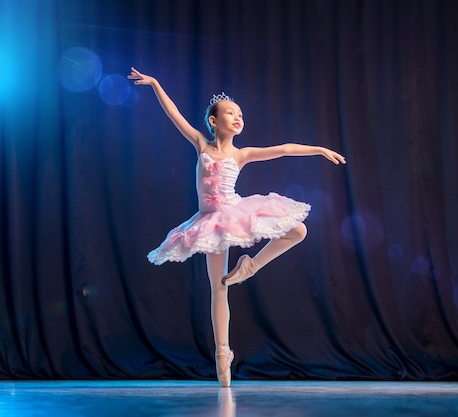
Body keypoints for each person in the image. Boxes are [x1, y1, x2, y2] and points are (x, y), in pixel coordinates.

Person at [127, 67, 346, 387]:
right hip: (209, 222)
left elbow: (284, 148)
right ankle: (222, 354)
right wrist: (157, 84)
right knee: (218, 289)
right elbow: (174, 115)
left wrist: (319, 149)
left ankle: (252, 266)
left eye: (240, 113)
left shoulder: (242, 155)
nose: (237, 116)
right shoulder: (201, 144)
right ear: (214, 121)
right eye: (230, 112)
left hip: (235, 212)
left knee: (298, 230)